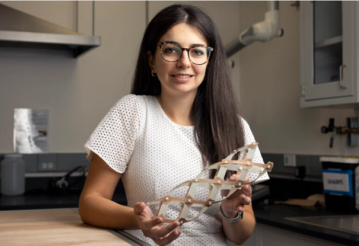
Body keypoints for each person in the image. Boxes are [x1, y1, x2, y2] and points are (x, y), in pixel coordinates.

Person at [79, 4, 269, 246]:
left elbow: (240, 236)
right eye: (171, 50)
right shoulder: (133, 111)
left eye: (197, 52)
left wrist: (232, 214)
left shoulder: (236, 127)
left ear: (209, 62)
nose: (184, 62)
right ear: (151, 60)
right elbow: (89, 203)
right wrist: (139, 220)